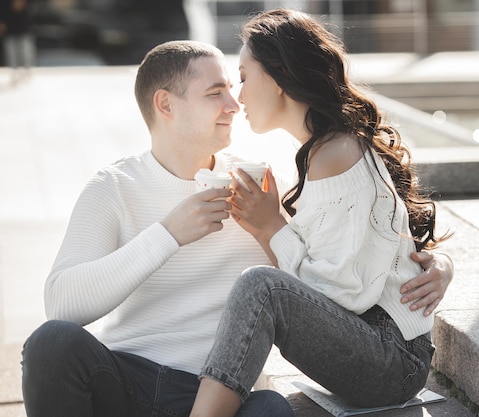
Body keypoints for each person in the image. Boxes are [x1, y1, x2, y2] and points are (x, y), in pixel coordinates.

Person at [20, 40, 452, 417]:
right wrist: (167, 233)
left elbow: (351, 246)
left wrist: (440, 264)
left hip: (219, 397)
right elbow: (62, 304)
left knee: (273, 409)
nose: (233, 104)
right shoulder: (114, 187)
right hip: (125, 381)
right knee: (52, 343)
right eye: (215, 93)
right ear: (166, 104)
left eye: (233, 87)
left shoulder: (259, 186)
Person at [190, 9, 452, 417]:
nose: (239, 98)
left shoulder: (338, 153)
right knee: (259, 283)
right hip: (379, 348)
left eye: (244, 77)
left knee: (261, 286)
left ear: (278, 76)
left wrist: (271, 228)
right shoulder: (326, 151)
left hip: (392, 359)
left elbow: (340, 292)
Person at [0, 0, 36, 84]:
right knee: (12, 54)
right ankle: (14, 72)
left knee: (26, 53)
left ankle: (27, 71)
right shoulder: (4, 3)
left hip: (24, 30)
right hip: (10, 30)